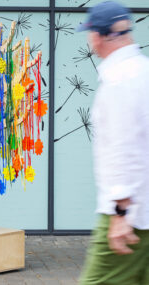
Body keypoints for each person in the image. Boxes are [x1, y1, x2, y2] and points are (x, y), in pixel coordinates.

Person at [77, 1, 149, 284]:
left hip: (130, 213)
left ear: (98, 36)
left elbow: (122, 148)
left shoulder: (118, 80)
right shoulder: (144, 70)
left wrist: (120, 211)